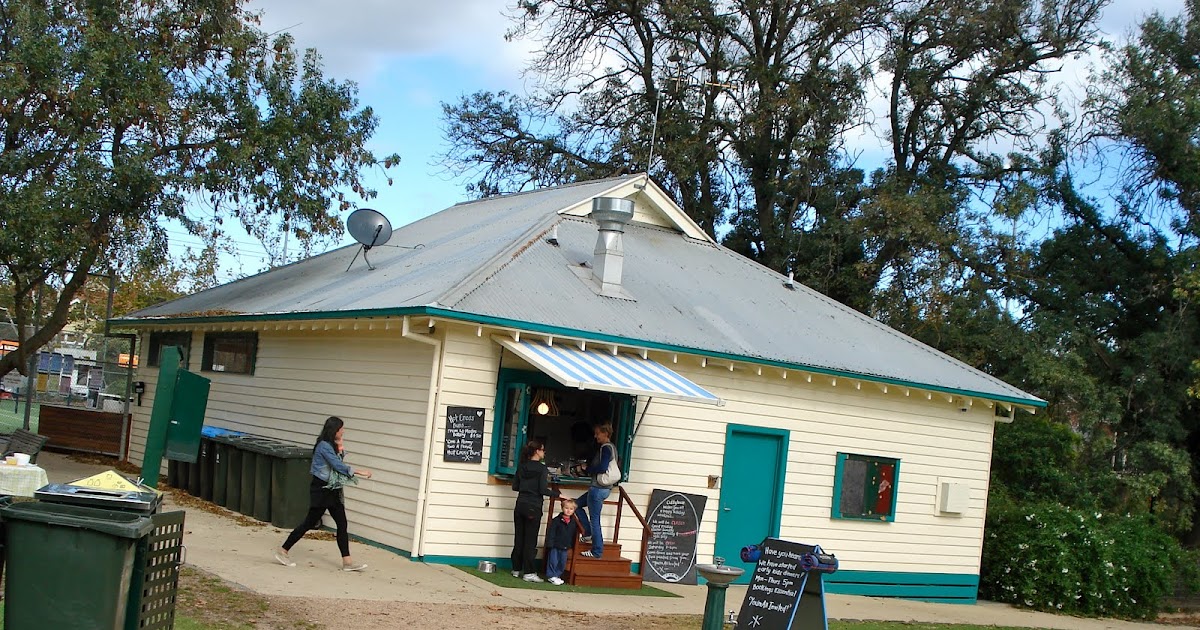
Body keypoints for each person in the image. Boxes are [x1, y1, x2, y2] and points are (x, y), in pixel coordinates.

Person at [275, 416, 373, 571]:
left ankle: (347, 562)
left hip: (333, 489)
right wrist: (359, 472)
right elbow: (337, 465)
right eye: (341, 429)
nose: (343, 431)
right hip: (321, 489)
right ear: (334, 430)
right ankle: (283, 550)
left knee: (342, 524)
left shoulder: (331, 445)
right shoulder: (323, 446)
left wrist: (340, 446)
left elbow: (337, 461)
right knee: (309, 522)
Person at [510, 439, 559, 582]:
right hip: (533, 506)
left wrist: (526, 488)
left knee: (519, 538)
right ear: (537, 451)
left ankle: (516, 569)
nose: (544, 452)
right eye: (543, 450)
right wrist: (557, 494)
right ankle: (529, 572)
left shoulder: (522, 466)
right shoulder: (542, 469)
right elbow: (542, 490)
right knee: (530, 541)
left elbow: (515, 487)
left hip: (520, 504)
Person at [571, 422, 616, 559]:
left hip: (597, 489)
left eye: (598, 433)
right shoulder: (612, 447)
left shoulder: (606, 448)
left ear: (605, 433)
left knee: (595, 519)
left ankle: (596, 551)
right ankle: (588, 533)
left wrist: (587, 469)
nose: (595, 436)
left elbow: (602, 468)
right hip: (603, 489)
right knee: (576, 504)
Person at [544, 498, 579, 585]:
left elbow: (574, 534)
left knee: (562, 562)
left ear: (574, 510)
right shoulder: (556, 520)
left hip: (565, 546)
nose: (568, 510)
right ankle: (551, 576)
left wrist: (571, 545)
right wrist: (550, 543)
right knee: (553, 560)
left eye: (571, 509)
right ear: (562, 508)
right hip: (555, 545)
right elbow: (552, 532)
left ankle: (557, 575)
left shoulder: (573, 522)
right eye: (566, 508)